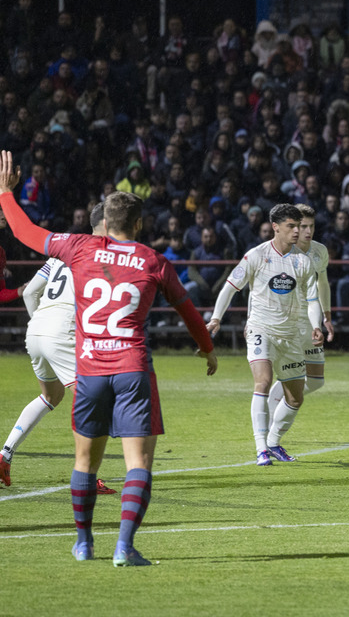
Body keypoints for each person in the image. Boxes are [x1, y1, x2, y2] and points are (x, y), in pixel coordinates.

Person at [0, 152, 216, 567]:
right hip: (133, 371)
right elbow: (189, 310)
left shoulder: (77, 247)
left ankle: (83, 543)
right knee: (138, 463)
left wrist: (6, 194)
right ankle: (125, 546)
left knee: (84, 461)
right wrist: (207, 350)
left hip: (91, 371)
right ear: (137, 226)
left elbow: (25, 232)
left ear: (103, 222)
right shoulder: (152, 261)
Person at [0, 204, 116, 494]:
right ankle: (88, 477)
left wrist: (39, 320)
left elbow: (29, 292)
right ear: (108, 223)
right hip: (62, 330)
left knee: (52, 395)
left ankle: (5, 454)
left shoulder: (65, 249)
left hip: (37, 330)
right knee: (94, 401)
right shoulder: (102, 253)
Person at [207, 204, 325, 467]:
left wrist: (316, 324)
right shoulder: (256, 256)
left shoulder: (303, 261)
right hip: (262, 329)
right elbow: (230, 287)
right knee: (263, 381)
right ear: (275, 227)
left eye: (299, 226)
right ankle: (260, 448)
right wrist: (216, 318)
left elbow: (313, 299)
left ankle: (273, 442)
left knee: (295, 397)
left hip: (291, 335)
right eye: (291, 226)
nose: (297, 231)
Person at [264, 204, 335, 436]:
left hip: (312, 316)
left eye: (311, 226)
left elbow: (322, 282)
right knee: (295, 374)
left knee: (316, 380)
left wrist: (327, 314)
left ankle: (274, 404)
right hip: (290, 319)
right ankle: (271, 431)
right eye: (302, 226)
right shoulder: (283, 251)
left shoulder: (319, 251)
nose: (307, 231)